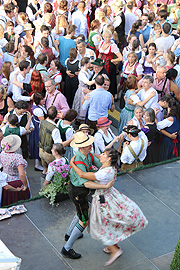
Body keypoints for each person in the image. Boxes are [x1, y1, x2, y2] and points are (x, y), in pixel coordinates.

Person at [70, 148, 148, 266]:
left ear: (109, 159)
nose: (100, 155)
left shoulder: (104, 173)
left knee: (100, 226)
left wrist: (71, 163)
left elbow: (82, 174)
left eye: (103, 154)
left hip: (103, 201)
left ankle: (115, 250)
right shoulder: (110, 168)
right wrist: (88, 152)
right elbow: (96, 156)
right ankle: (113, 246)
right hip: (110, 196)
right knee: (107, 223)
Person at [61, 131, 106, 259]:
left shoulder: (87, 155)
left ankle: (69, 234)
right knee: (84, 220)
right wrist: (104, 185)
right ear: (80, 147)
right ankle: (67, 248)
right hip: (78, 191)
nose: (90, 145)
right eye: (87, 144)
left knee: (80, 211)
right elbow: (86, 183)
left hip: (79, 191)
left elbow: (100, 165)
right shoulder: (79, 161)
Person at [39, 106, 72, 176]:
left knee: (45, 170)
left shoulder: (42, 122)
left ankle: (43, 180)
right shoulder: (55, 129)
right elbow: (59, 145)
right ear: (56, 115)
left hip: (41, 150)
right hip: (49, 154)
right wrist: (72, 138)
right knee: (53, 174)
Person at [1, 135, 31, 206]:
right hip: (16, 183)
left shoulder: (2, 154)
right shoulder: (18, 157)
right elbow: (21, 174)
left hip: (5, 181)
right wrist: (26, 185)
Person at [99, 29, 122, 97]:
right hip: (102, 64)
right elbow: (100, 54)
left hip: (110, 65)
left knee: (110, 80)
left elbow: (120, 57)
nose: (108, 38)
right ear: (103, 37)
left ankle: (112, 95)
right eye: (106, 37)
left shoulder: (113, 45)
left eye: (109, 37)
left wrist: (112, 60)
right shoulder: (102, 43)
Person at [72, 57, 94, 123]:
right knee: (81, 106)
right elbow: (88, 82)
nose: (90, 64)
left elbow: (91, 74)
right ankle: (80, 120)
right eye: (89, 63)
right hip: (82, 90)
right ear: (85, 64)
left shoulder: (87, 70)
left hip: (85, 89)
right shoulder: (82, 73)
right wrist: (97, 80)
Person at [29, 92, 46, 171]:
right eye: (42, 99)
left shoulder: (37, 106)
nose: (44, 100)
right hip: (39, 128)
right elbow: (43, 121)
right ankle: (37, 165)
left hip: (36, 127)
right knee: (38, 145)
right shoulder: (38, 110)